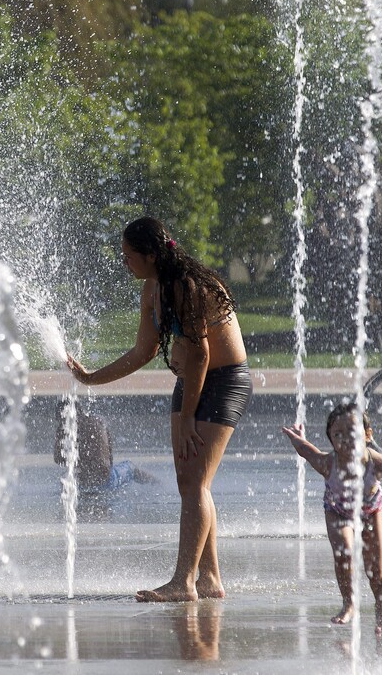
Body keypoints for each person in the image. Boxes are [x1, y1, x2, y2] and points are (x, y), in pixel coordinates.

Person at [66, 216, 251, 602]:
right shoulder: (152, 287)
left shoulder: (187, 286)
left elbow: (200, 355)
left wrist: (187, 418)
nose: (124, 263)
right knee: (192, 483)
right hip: (191, 382)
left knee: (195, 483)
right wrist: (90, 378)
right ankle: (209, 577)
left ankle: (183, 582)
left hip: (222, 380)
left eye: (129, 256)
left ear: (151, 255)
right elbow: (143, 351)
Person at [282, 403, 382, 636]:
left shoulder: (377, 463)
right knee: (344, 553)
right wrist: (297, 438)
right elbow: (307, 451)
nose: (345, 439)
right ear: (330, 439)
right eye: (337, 435)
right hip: (337, 510)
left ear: (367, 435)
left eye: (351, 432)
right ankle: (349, 603)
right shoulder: (328, 464)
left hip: (370, 510)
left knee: (376, 567)